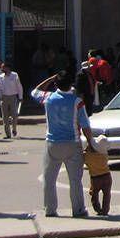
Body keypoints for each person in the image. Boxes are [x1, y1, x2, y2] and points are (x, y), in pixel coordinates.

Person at [33, 72, 95, 217]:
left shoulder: (48, 98)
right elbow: (85, 125)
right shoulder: (77, 101)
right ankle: (78, 209)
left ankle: (50, 209)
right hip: (72, 143)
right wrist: (91, 143)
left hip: (52, 143)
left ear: (56, 84)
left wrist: (50, 78)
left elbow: (35, 91)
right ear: (71, 84)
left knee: (49, 179)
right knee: (75, 180)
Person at [84, 135, 112, 215]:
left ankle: (97, 208)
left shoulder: (88, 156)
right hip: (107, 175)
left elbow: (84, 158)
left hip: (95, 178)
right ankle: (105, 209)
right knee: (107, 194)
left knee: (94, 194)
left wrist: (87, 149)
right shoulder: (104, 155)